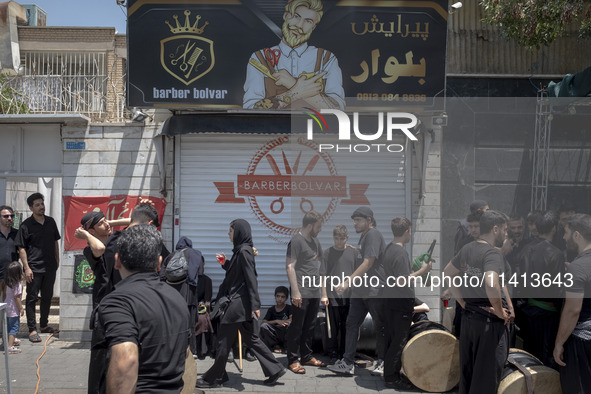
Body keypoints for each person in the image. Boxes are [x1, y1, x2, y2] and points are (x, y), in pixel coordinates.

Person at [96, 224, 190, 393]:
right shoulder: (178, 298)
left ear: (117, 261)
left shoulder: (117, 302)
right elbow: (185, 354)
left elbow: (126, 360)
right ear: (159, 263)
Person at [197, 219, 286, 388]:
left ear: (238, 233)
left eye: (230, 231)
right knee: (251, 338)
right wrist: (226, 264)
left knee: (223, 341)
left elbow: (251, 278)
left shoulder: (244, 251)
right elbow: (238, 276)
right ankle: (275, 369)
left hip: (238, 306)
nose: (228, 234)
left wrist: (256, 305)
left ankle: (214, 378)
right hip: (241, 306)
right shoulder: (241, 251)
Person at [444, 210, 511, 394]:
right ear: (495, 229)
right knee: (486, 379)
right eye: (505, 230)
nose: (506, 234)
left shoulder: (467, 248)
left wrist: (462, 301)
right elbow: (491, 283)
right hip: (488, 325)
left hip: (469, 321)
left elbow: (448, 273)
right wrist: (499, 311)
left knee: (469, 374)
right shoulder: (493, 254)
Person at [243, 0, 345, 110]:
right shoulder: (259, 58)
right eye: (296, 16)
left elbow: (338, 110)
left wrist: (292, 83)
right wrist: (296, 92)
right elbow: (250, 110)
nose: (299, 25)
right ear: (285, 15)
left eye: (308, 21)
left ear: (313, 27)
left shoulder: (327, 59)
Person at [328, 207, 387, 376]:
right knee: (351, 323)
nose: (355, 223)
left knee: (380, 326)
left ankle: (382, 362)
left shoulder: (373, 235)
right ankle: (347, 362)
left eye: (358, 220)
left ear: (369, 220)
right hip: (361, 291)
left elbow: (368, 262)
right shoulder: (364, 236)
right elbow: (364, 257)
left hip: (374, 290)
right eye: (354, 220)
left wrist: (347, 282)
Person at [381, 217, 432, 390]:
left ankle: (390, 373)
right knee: (398, 341)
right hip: (400, 304)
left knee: (391, 339)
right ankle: (391, 378)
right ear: (407, 231)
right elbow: (401, 281)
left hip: (390, 302)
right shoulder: (400, 252)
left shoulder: (389, 248)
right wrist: (422, 271)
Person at [520, 210, 564, 367]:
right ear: (554, 228)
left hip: (528, 311)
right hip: (548, 315)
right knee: (546, 359)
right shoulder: (556, 254)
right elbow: (558, 290)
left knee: (530, 356)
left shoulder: (526, 250)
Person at [15, 193, 60, 343]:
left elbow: (55, 242)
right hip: (34, 268)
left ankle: (44, 325)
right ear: (31, 208)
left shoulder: (51, 222)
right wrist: (26, 268)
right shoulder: (26, 225)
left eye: (42, 203)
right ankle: (32, 329)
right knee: (32, 299)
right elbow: (21, 248)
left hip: (50, 267)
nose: (41, 207)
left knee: (47, 297)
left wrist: (57, 259)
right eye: (37, 205)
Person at [553, 213, 591, 393]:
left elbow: (572, 311)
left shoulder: (578, 267)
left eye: (566, 232)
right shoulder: (578, 266)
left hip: (581, 344)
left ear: (577, 235)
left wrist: (559, 343)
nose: (563, 237)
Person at [285, 211, 326, 374]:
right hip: (301, 291)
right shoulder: (296, 241)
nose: (320, 229)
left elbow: (323, 260)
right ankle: (293, 360)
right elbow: (290, 267)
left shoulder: (315, 240)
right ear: (310, 226)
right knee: (297, 327)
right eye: (318, 226)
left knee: (309, 326)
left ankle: (307, 356)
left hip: (314, 290)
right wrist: (295, 292)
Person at [160, 236, 203, 357]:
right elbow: (200, 273)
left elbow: (162, 276)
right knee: (190, 323)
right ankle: (191, 350)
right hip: (189, 294)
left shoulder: (170, 256)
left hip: (171, 297)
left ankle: (173, 349)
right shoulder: (195, 254)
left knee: (173, 323)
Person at [320, 225, 356, 362]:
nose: (339, 242)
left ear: (347, 238)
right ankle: (333, 352)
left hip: (349, 296)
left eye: (342, 239)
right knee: (332, 327)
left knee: (348, 326)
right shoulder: (328, 253)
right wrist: (324, 294)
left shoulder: (353, 253)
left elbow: (360, 271)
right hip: (332, 296)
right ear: (333, 238)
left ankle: (345, 352)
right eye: (336, 238)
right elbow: (322, 275)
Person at [260, 286, 292, 353]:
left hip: (285, 331)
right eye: (278, 296)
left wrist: (283, 322)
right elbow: (263, 322)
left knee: (291, 324)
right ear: (275, 296)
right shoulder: (271, 309)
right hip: (275, 332)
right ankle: (275, 345)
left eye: (282, 297)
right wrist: (276, 321)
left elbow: (291, 319)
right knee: (264, 326)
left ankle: (288, 346)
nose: (280, 299)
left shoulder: (289, 308)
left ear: (286, 298)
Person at [4, 261, 24, 354]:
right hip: (13, 310)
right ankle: (9, 347)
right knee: (14, 328)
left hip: (6, 307)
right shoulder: (18, 285)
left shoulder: (8, 283)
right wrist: (21, 308)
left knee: (7, 326)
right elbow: (17, 298)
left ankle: (8, 342)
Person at [0, 205, 18, 301]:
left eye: (11, 216)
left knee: (10, 306)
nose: (9, 218)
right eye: (6, 216)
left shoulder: (17, 234)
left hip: (12, 276)